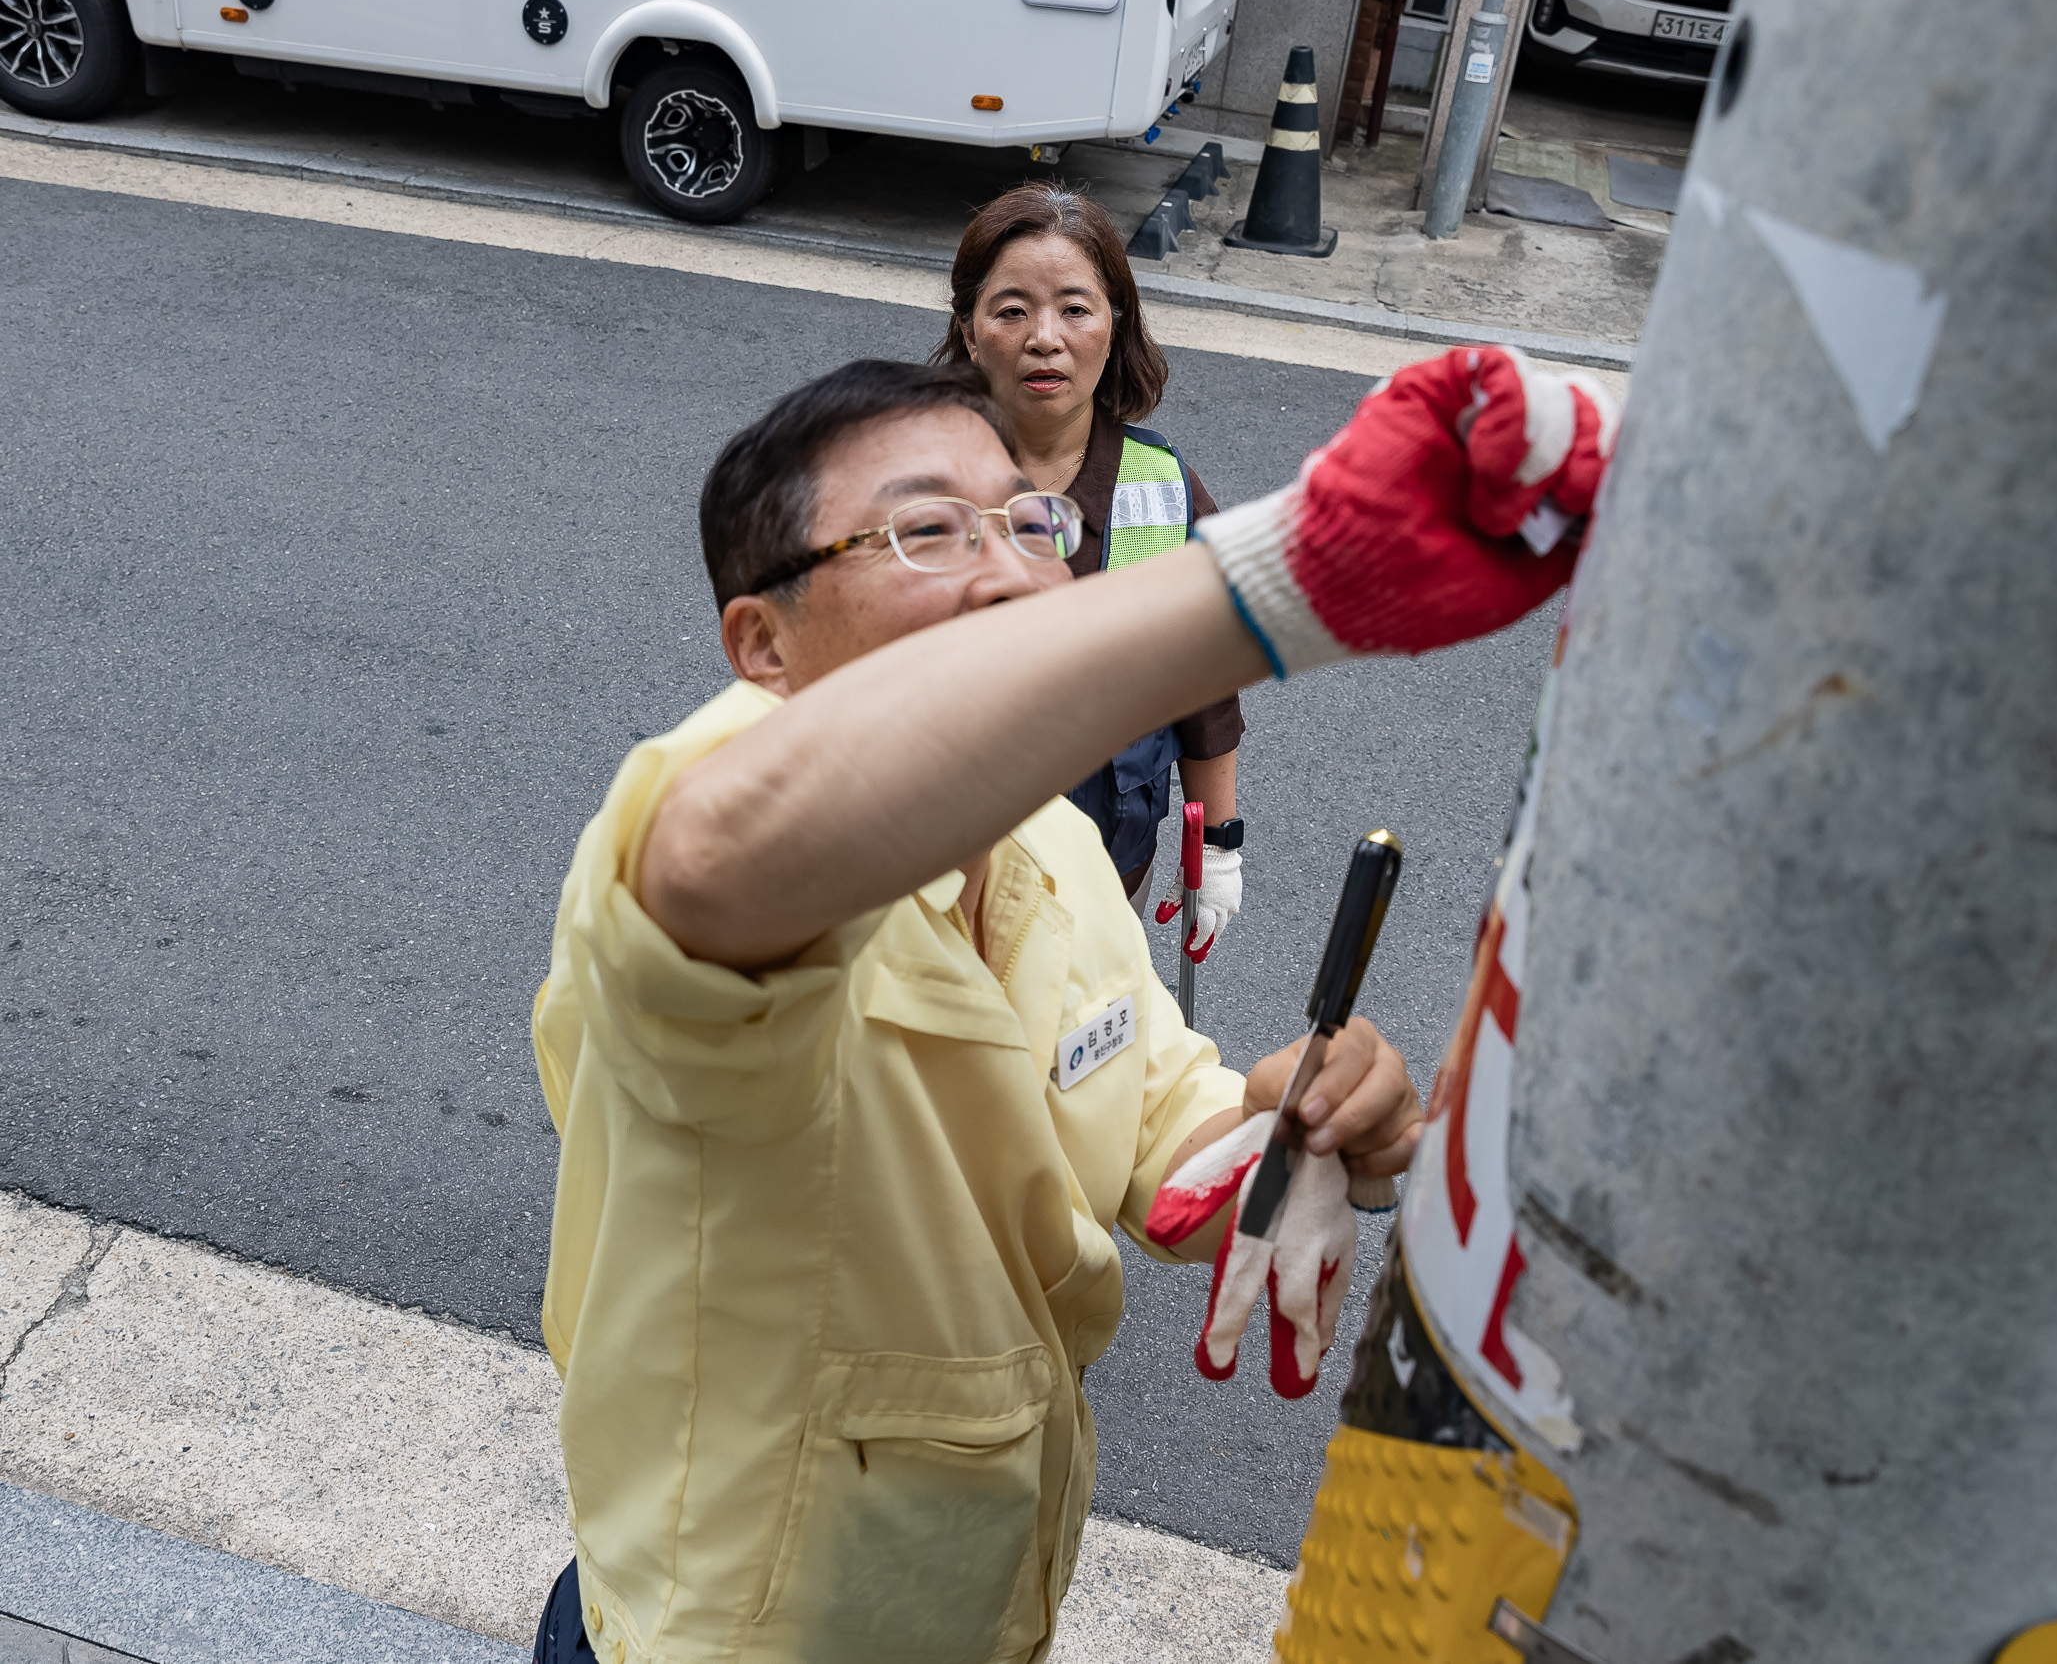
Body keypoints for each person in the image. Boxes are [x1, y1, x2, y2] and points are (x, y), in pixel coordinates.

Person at [528, 346, 1614, 1663]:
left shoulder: (1050, 838)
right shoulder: (703, 845)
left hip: (969, 1605)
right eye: (927, 529)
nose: (1010, 568)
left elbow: (1147, 1097)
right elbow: (709, 861)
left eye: (1034, 523)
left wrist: (1295, 1114)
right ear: (762, 641)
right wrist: (1282, 580)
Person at [936, 183, 1246, 962]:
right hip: (934, 869)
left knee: (1079, 1062)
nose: (1045, 338)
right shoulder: (913, 475)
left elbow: (1206, 686)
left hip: (1110, 870)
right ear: (970, 333)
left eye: (1075, 308)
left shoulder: (1164, 488)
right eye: (1011, 310)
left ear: (1115, 325)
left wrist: (1220, 845)